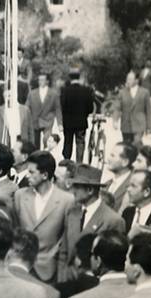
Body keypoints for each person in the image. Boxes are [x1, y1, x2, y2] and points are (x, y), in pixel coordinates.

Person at [13, 151, 80, 282]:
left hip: (51, 272)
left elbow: (69, 241)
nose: (27, 176)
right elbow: (14, 231)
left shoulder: (66, 200)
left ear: (44, 175)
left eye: (31, 172)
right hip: (21, 268)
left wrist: (63, 274)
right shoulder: (20, 196)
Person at [59, 69, 97, 161]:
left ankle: (67, 161)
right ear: (79, 77)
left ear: (70, 78)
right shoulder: (86, 90)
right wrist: (84, 114)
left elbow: (62, 106)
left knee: (68, 142)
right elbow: (90, 108)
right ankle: (79, 163)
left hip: (68, 122)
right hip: (81, 121)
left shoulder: (65, 90)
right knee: (80, 143)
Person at [117, 70, 151, 148]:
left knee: (136, 145)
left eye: (130, 79)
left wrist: (149, 126)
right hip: (126, 124)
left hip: (139, 124)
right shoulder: (122, 92)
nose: (127, 81)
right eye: (127, 79)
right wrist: (115, 120)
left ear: (136, 81)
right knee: (126, 147)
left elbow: (148, 110)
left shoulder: (145, 92)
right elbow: (117, 107)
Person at [25, 72, 58, 149]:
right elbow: (27, 107)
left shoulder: (54, 94)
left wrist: (60, 123)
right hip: (35, 120)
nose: (41, 82)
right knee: (35, 143)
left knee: (46, 140)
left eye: (43, 80)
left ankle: (45, 153)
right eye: (39, 80)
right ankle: (37, 155)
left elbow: (57, 108)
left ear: (47, 81)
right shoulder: (32, 93)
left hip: (48, 121)